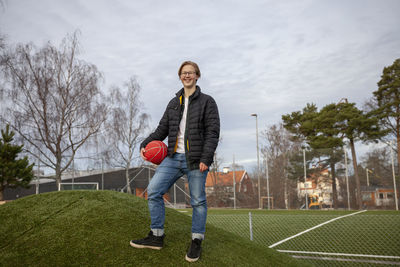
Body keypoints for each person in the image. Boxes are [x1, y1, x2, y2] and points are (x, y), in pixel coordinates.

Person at [130, 61, 220, 262]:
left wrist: (206, 158)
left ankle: (196, 241)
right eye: (183, 73)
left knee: (198, 201)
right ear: (180, 76)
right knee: (153, 191)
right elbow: (161, 130)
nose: (187, 76)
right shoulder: (173, 103)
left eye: (191, 72)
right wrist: (145, 144)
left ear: (197, 76)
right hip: (173, 158)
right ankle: (156, 236)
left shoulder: (208, 102)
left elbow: (213, 133)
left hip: (196, 160)